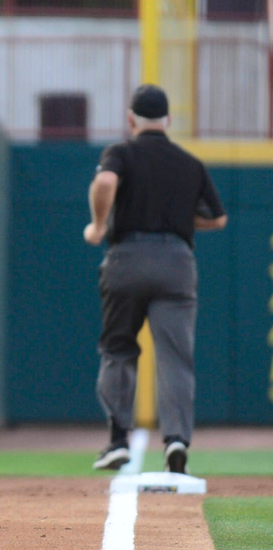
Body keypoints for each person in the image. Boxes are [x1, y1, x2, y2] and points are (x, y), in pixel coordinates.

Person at [84, 85, 227, 475]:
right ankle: (177, 441)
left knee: (118, 348)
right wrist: (180, 221)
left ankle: (117, 440)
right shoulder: (189, 163)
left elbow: (105, 184)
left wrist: (98, 226)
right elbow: (217, 218)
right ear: (168, 121)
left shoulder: (121, 152)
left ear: (130, 119)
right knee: (176, 359)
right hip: (177, 263)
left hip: (128, 256)